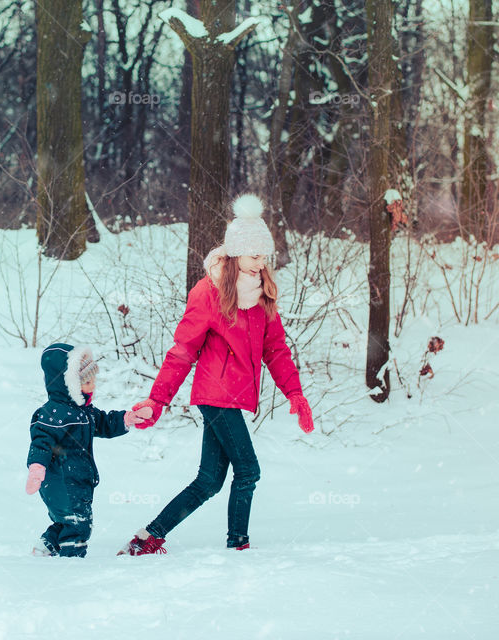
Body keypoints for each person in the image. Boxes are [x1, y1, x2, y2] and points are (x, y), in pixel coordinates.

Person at [119, 194, 314, 556]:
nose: (260, 263)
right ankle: (238, 544)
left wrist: (295, 394)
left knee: (209, 481)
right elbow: (183, 349)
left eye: (264, 255)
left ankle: (148, 537)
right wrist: (158, 398)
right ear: (237, 252)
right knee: (249, 471)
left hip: (235, 398)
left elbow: (277, 351)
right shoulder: (209, 292)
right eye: (254, 255)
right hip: (214, 395)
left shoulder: (263, 296)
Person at [26, 343, 152, 557]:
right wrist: (37, 468)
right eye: (86, 381)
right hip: (60, 481)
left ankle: (46, 547)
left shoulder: (82, 411)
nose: (93, 385)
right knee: (79, 523)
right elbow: (41, 442)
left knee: (68, 520)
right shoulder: (52, 414)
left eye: (93, 379)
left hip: (78, 480)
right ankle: (72, 564)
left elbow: (103, 422)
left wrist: (126, 419)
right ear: (68, 384)